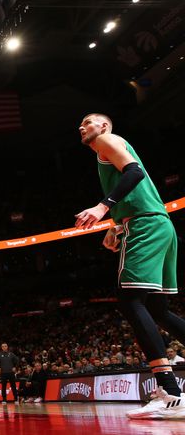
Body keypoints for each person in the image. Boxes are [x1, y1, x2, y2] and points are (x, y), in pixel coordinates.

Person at [75, 113, 185, 419]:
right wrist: (116, 224)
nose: (82, 127)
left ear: (104, 126)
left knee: (130, 300)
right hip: (158, 223)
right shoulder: (107, 148)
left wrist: (102, 207)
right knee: (158, 310)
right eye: (81, 125)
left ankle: (171, 393)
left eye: (89, 122)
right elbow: (136, 186)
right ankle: (172, 392)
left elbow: (134, 172)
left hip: (145, 225)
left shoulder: (106, 140)